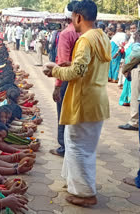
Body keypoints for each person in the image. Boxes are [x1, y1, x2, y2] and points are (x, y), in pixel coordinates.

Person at [43, 0, 111, 206]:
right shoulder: (102, 36)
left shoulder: (85, 39)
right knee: (80, 146)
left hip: (84, 101)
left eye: (72, 17)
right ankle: (75, 184)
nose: (72, 21)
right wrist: (70, 63)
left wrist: (54, 70)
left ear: (78, 17)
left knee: (78, 147)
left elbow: (78, 72)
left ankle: (85, 193)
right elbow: (87, 66)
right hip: (96, 99)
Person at [49, 1, 80, 157]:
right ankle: (75, 144)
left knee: (63, 113)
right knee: (76, 112)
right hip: (83, 79)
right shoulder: (90, 33)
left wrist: (57, 86)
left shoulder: (66, 33)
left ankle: (64, 147)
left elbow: (61, 62)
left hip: (68, 78)